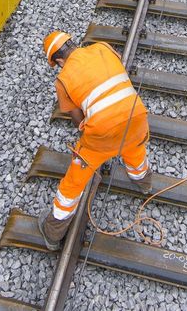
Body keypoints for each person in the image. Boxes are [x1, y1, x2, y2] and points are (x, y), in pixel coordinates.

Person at [38, 31, 152, 250]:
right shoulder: (102, 47)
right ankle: (144, 183)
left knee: (75, 179)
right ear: (71, 43)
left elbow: (78, 121)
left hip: (102, 133)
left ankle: (53, 231)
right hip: (137, 116)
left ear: (59, 60)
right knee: (134, 150)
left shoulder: (63, 79)